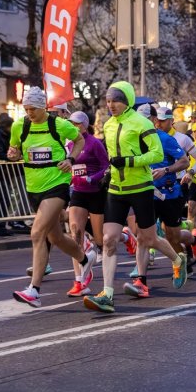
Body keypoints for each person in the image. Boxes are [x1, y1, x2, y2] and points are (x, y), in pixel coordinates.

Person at [83, 82, 187, 313]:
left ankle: (178, 260)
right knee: (109, 239)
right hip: (116, 190)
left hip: (140, 188)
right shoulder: (108, 125)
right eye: (108, 101)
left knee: (148, 239)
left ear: (127, 100)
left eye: (116, 100)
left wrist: (130, 162)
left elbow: (157, 154)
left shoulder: (141, 123)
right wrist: (109, 171)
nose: (111, 105)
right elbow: (113, 156)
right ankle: (107, 294)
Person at [8, 87, 97, 307]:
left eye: (33, 109)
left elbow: (80, 141)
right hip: (33, 186)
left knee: (37, 232)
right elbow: (15, 150)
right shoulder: (19, 126)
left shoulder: (59, 124)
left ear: (43, 107)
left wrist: (71, 160)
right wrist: (13, 154)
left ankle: (34, 290)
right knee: (55, 237)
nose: (29, 113)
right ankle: (85, 259)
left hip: (57, 184)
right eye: (26, 109)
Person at [123, 105, 193, 298]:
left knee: (174, 237)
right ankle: (141, 281)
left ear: (153, 121)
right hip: (146, 195)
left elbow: (185, 162)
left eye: (144, 119)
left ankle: (192, 240)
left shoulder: (165, 139)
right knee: (144, 238)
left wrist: (166, 170)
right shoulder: (131, 140)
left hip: (169, 194)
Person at [65, 111, 109, 297]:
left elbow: (106, 166)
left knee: (100, 240)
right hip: (78, 193)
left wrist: (92, 178)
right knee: (75, 233)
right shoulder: (69, 144)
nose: (73, 127)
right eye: (71, 124)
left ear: (84, 125)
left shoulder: (94, 143)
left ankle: (124, 237)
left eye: (75, 124)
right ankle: (79, 281)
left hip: (96, 193)